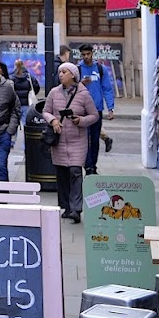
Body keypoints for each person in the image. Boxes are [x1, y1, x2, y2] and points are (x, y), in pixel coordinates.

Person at [44, 62, 99, 223]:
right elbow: (45, 111)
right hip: (59, 140)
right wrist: (53, 120)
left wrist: (80, 120)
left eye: (64, 72)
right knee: (62, 174)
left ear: (73, 75)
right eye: (60, 72)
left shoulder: (83, 94)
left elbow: (94, 115)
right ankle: (66, 207)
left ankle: (76, 208)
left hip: (77, 141)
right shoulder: (54, 93)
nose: (60, 74)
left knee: (75, 172)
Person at [77, 44, 116, 174]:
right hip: (82, 111)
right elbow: (70, 88)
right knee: (84, 140)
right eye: (83, 55)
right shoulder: (77, 69)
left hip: (96, 109)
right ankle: (88, 167)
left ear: (92, 53)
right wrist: (81, 83)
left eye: (88, 54)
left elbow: (107, 89)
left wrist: (110, 108)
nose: (86, 57)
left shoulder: (100, 68)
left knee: (94, 140)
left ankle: (92, 166)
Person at [11, 60, 39, 129]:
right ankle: (24, 139)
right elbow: (36, 87)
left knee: (14, 124)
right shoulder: (29, 77)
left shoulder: (11, 77)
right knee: (25, 123)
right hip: (26, 103)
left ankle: (15, 139)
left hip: (15, 105)